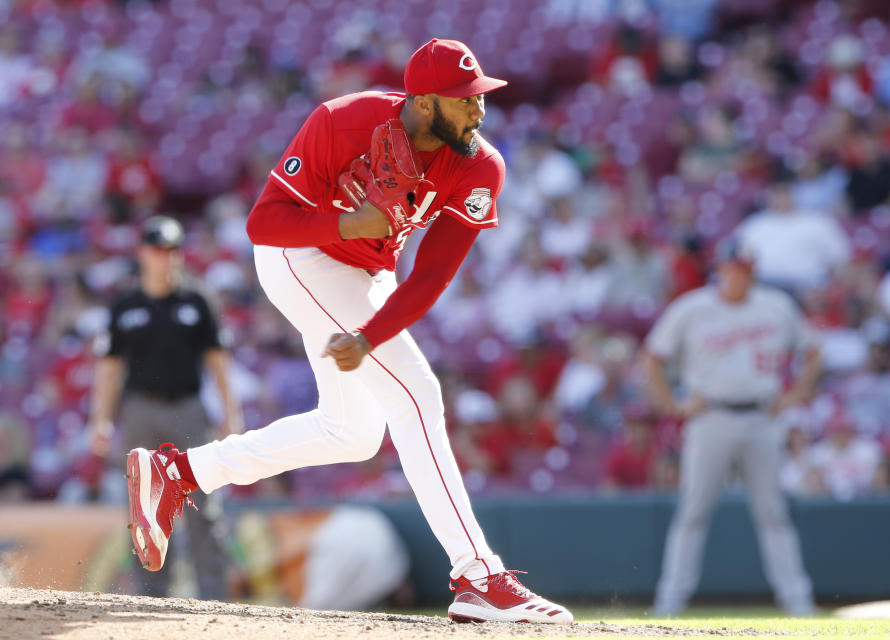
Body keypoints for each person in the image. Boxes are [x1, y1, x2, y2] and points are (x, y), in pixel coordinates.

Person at [124, 39, 572, 623]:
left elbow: (432, 273)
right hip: (300, 257)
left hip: (366, 273)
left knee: (354, 434)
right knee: (417, 393)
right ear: (426, 102)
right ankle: (478, 575)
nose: (478, 110)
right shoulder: (344, 119)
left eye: (479, 96)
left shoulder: (481, 164)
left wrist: (370, 335)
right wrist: (344, 220)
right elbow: (264, 223)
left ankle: (178, 473)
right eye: (464, 100)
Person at [644, 238, 819, 616]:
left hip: (761, 417)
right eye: (735, 268)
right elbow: (653, 356)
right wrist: (672, 405)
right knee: (693, 511)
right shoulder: (693, 308)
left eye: (747, 269)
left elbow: (813, 350)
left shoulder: (775, 305)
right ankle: (669, 602)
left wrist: (796, 394)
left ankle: (797, 601)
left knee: (773, 512)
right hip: (710, 417)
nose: (741, 275)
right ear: (721, 269)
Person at [88, 215, 241, 599]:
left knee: (204, 505)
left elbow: (218, 362)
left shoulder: (197, 298)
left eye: (173, 249)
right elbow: (109, 370)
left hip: (188, 410)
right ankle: (152, 597)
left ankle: (213, 598)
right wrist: (101, 421)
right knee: (144, 510)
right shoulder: (125, 304)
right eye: (159, 249)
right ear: (142, 252)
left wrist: (231, 413)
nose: (166, 257)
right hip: (140, 411)